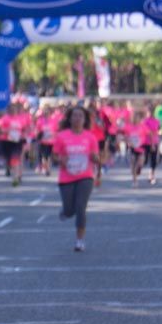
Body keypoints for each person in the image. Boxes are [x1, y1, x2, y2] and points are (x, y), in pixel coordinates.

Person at [53, 106, 100, 252]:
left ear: (85, 119)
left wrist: (95, 158)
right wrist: (61, 159)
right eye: (75, 115)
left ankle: (80, 240)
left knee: (81, 207)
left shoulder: (90, 137)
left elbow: (96, 157)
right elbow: (54, 156)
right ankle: (65, 212)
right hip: (66, 177)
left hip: (85, 176)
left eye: (80, 116)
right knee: (69, 210)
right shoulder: (61, 136)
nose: (77, 118)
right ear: (70, 118)